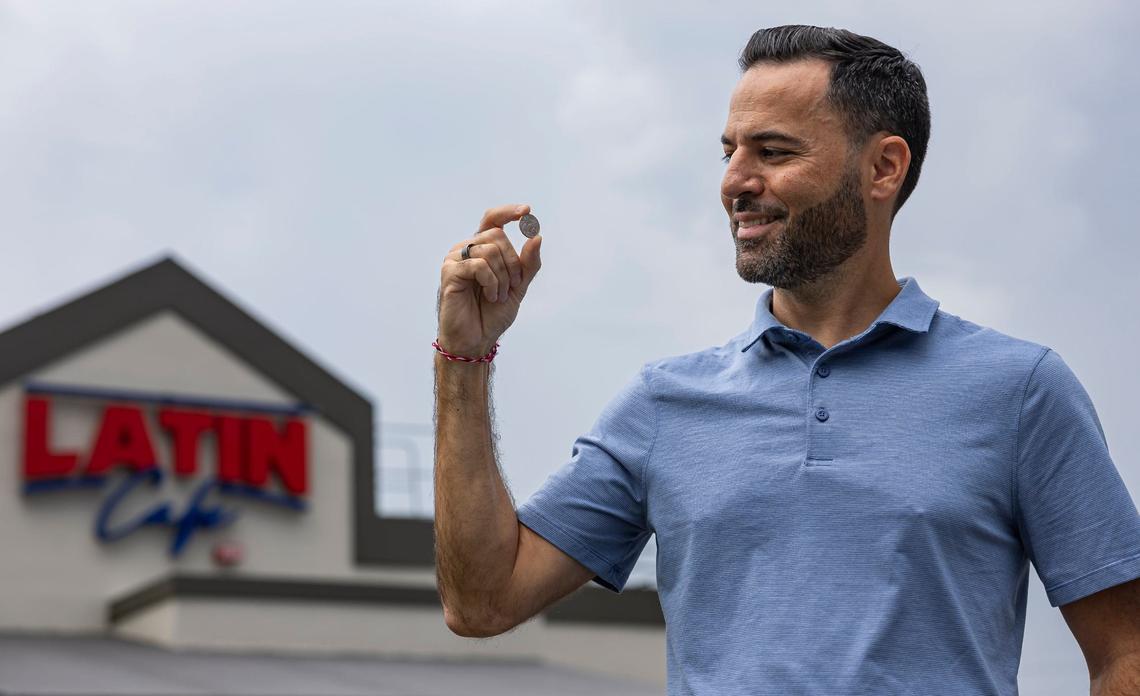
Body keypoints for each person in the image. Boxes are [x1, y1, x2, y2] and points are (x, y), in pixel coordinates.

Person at [432, 25, 1140, 695]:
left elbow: (1125, 650)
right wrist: (464, 358)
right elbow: (483, 601)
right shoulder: (663, 402)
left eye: (772, 152)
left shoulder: (1020, 391)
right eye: (729, 151)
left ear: (884, 167)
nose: (734, 181)